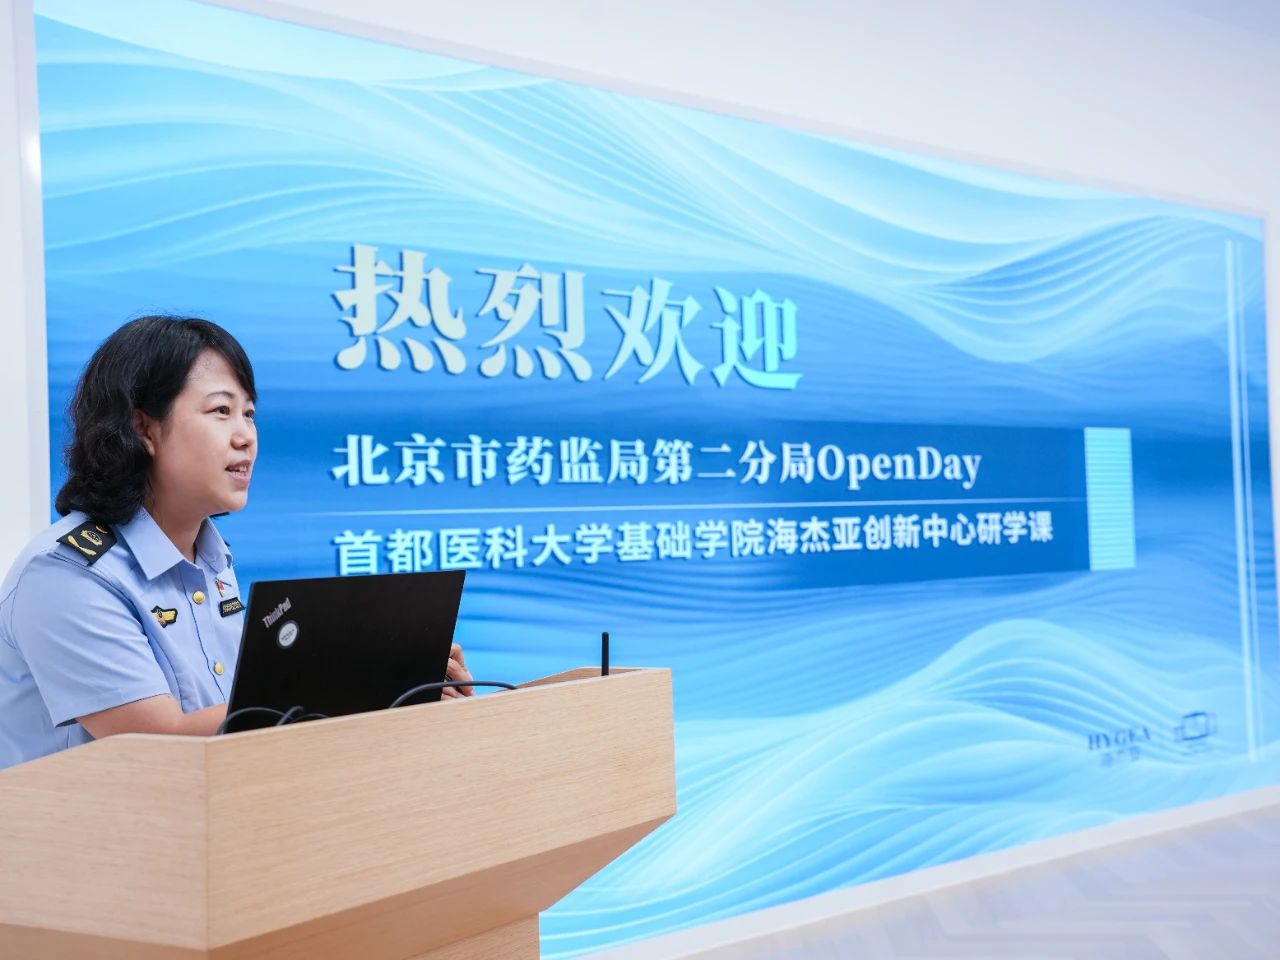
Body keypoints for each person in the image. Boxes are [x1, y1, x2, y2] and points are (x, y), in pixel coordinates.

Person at [0, 315, 472, 771]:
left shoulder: (209, 554)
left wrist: (401, 683)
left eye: (249, 413)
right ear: (144, 429)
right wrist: (358, 688)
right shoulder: (67, 574)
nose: (246, 436)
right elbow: (154, 744)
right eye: (221, 411)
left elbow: (238, 712)